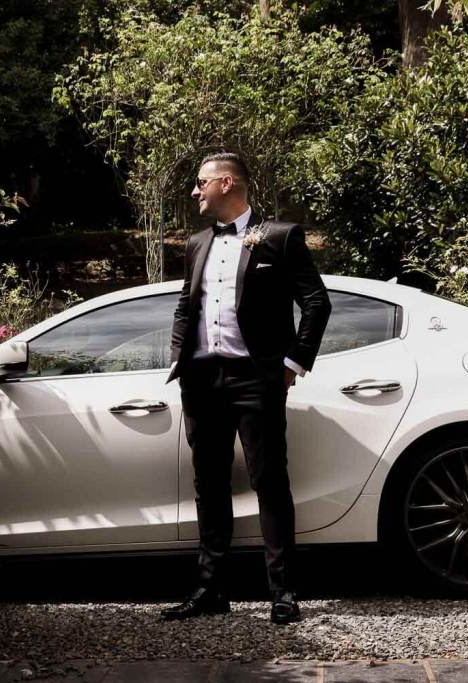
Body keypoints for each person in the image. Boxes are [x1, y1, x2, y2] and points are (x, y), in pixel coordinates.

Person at [161, 152, 331, 625]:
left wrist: (293, 362)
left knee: (269, 482)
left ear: (227, 183)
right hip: (202, 381)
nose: (195, 191)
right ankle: (211, 589)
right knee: (209, 484)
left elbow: (316, 302)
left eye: (201, 182)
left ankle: (283, 592)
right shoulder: (197, 243)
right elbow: (185, 305)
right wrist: (178, 358)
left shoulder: (279, 237)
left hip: (255, 379)